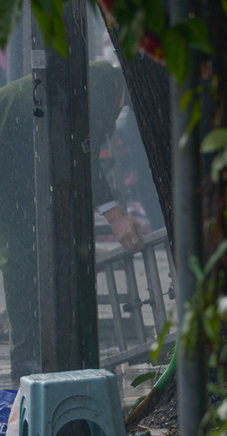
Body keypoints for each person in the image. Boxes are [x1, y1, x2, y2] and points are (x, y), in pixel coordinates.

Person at [0, 60, 145, 379]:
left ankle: (38, 354)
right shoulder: (98, 83)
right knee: (21, 250)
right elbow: (81, 150)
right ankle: (28, 361)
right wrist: (116, 216)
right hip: (8, 151)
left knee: (30, 247)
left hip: (18, 157)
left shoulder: (102, 83)